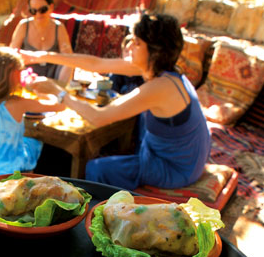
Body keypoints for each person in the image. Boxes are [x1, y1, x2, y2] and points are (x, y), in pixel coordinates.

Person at [19, 13, 211, 191]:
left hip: (175, 168)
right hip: (183, 156)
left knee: (95, 169)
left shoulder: (161, 87)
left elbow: (98, 117)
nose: (129, 46)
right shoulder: (161, 70)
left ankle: (95, 217)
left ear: (155, 51)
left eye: (136, 43)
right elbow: (96, 64)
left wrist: (58, 92)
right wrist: (40, 56)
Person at [0, 44, 65, 178]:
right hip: (11, 165)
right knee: (35, 142)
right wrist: (45, 92)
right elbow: (58, 106)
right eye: (19, 70)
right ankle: (31, 174)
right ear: (12, 73)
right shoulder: (18, 103)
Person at [10, 0, 73, 85]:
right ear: (29, 9)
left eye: (42, 10)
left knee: (69, 63)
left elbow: (68, 56)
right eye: (33, 11)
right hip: (28, 76)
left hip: (54, 77)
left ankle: (61, 94)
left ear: (51, 7)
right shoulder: (23, 26)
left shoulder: (59, 27)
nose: (38, 14)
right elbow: (11, 54)